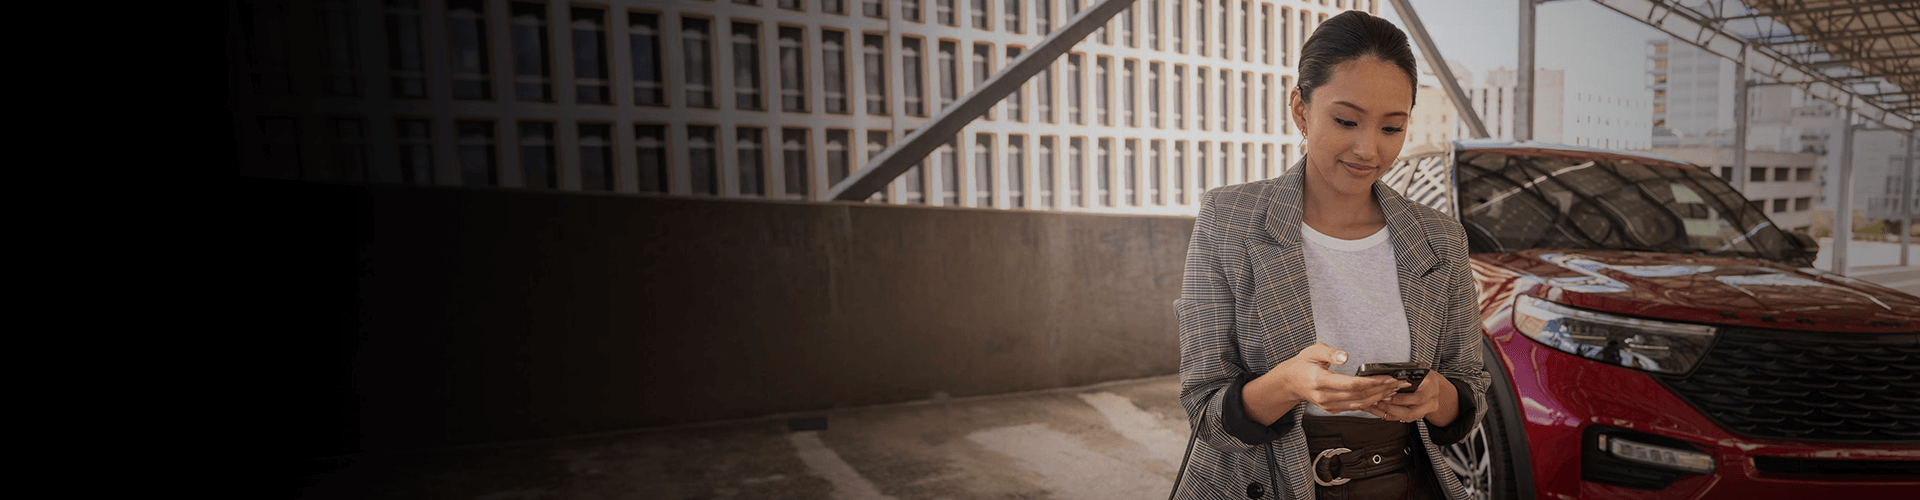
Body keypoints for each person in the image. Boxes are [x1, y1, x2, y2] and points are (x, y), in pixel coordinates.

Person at [1169, 10, 1489, 500]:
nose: (1368, 149)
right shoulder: (1229, 219)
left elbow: (1467, 395)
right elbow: (1205, 410)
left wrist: (1437, 396)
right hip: (1268, 484)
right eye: (1346, 120)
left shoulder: (1440, 239)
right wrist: (1289, 385)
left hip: (1404, 483)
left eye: (1391, 128)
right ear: (1301, 109)